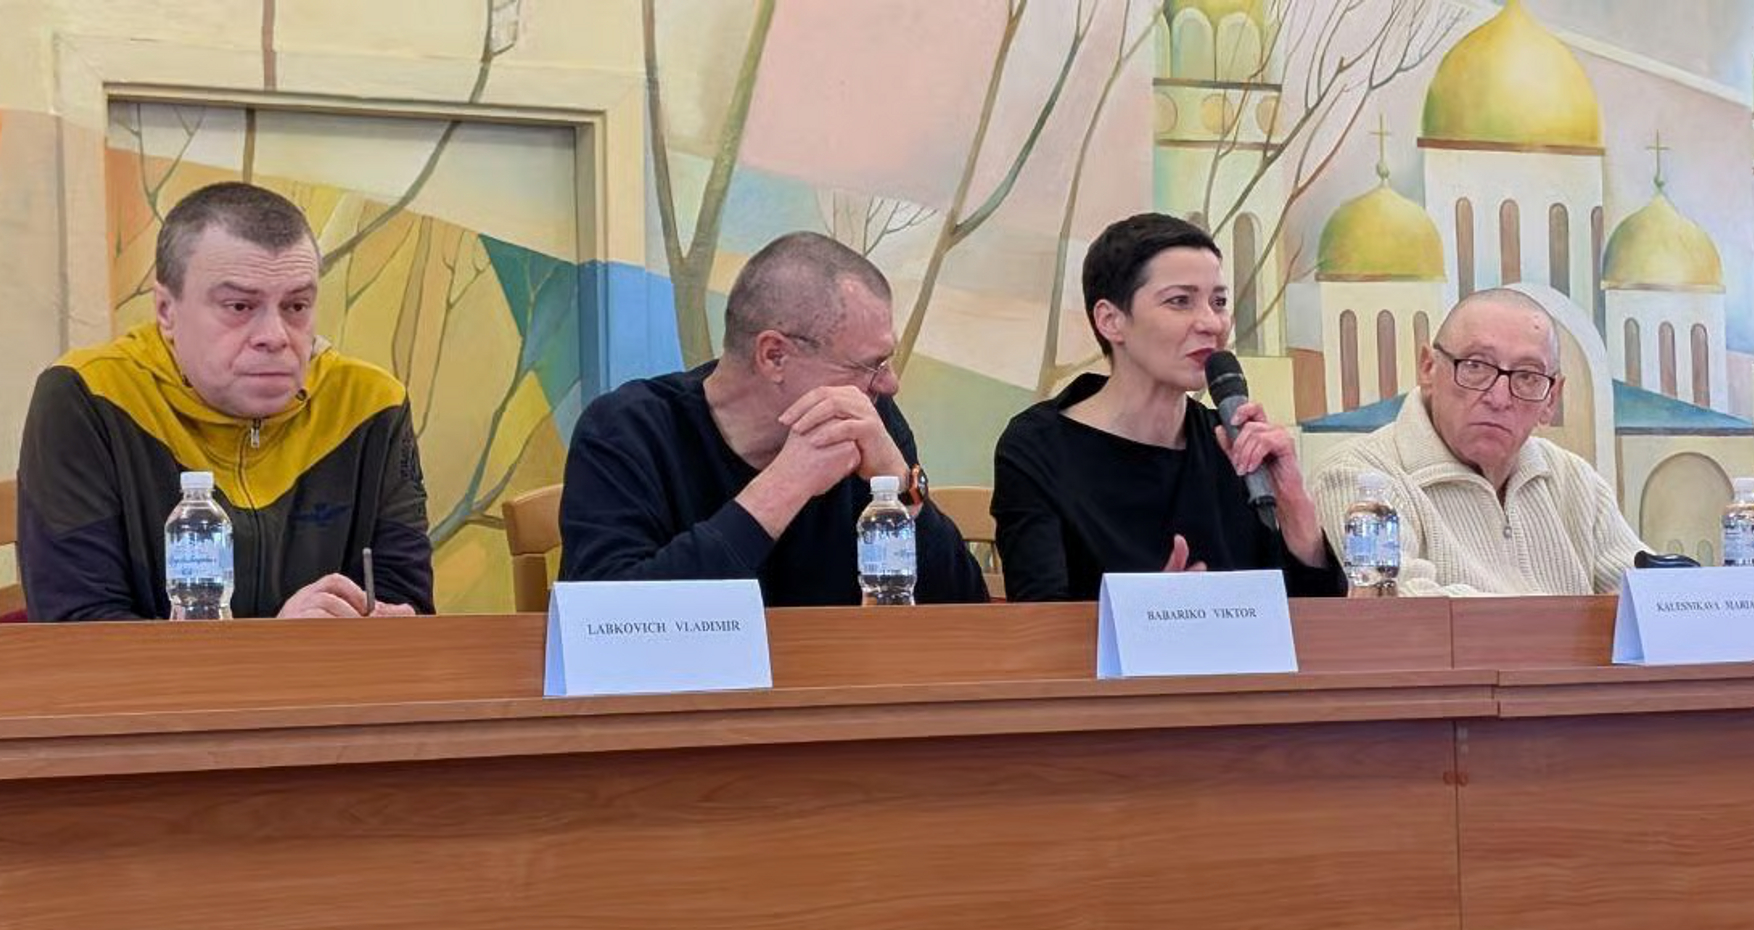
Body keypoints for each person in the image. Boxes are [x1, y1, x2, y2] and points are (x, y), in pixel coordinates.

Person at [16, 181, 432, 621]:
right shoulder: (88, 396)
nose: (274, 337)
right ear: (166, 311)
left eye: (296, 306)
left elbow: (407, 603)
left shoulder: (372, 405)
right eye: (239, 306)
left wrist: (384, 623)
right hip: (165, 676)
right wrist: (274, 648)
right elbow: (78, 628)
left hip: (331, 669)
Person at [559, 231, 986, 605]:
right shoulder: (626, 431)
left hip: (839, 672)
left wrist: (902, 487)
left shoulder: (868, 420)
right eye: (872, 364)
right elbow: (604, 623)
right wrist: (785, 485)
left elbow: (965, 616)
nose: (890, 384)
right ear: (774, 355)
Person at [991, 213, 1345, 602]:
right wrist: (1152, 611)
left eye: (1219, 302)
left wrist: (1295, 508)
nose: (1211, 323)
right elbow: (1038, 617)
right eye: (1180, 301)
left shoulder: (1232, 445)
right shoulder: (1039, 447)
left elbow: (1314, 623)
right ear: (1111, 320)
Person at [1310, 288, 1645, 596]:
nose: (1499, 398)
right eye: (1475, 366)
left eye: (1527, 376)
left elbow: (1652, 598)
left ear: (1551, 399)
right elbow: (1402, 613)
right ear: (1428, 369)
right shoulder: (1360, 478)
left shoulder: (1575, 481)